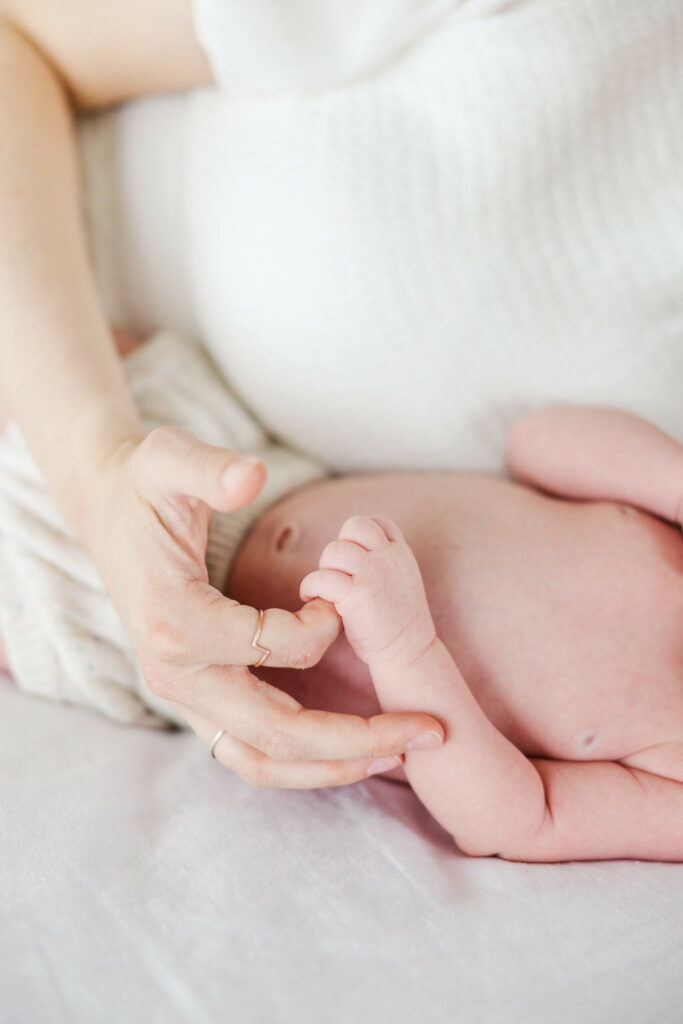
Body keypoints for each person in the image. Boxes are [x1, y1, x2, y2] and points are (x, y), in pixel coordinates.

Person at [0, 1, 681, 790]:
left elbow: (519, 809)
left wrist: (406, 657)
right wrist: (95, 467)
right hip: (90, 357)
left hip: (167, 561)